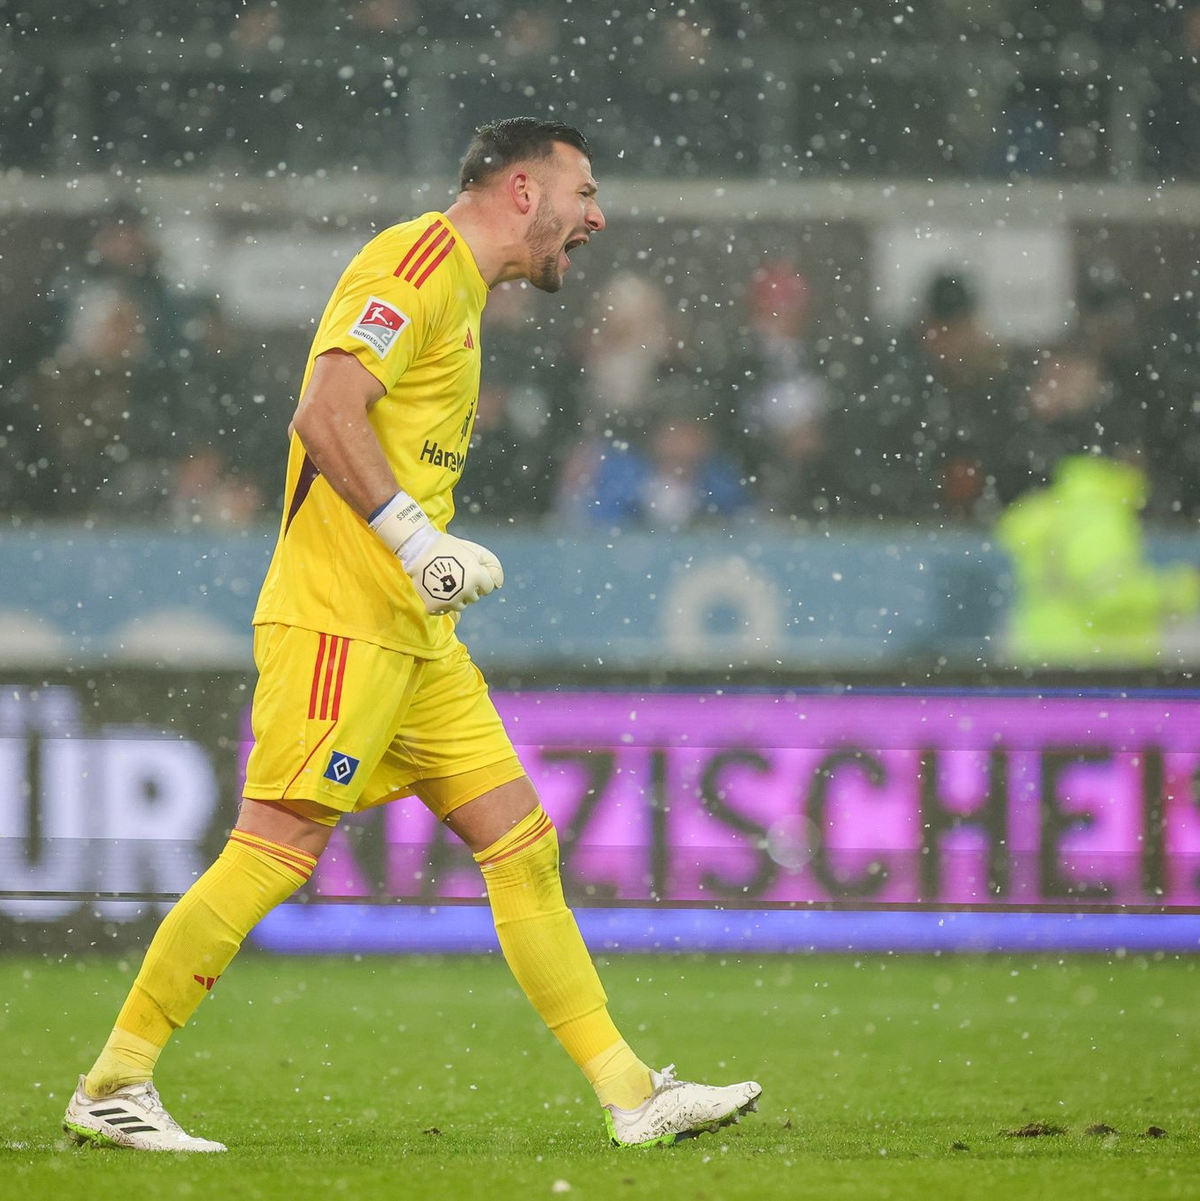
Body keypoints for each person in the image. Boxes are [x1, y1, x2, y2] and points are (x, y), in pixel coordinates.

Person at [62, 117, 761, 1153]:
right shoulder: (417, 262)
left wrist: (420, 562)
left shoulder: (465, 296)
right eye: (584, 193)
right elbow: (325, 411)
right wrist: (414, 538)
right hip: (343, 617)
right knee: (276, 847)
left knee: (520, 843)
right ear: (524, 191)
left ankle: (631, 1092)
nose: (595, 218)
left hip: (411, 632)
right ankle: (116, 1080)